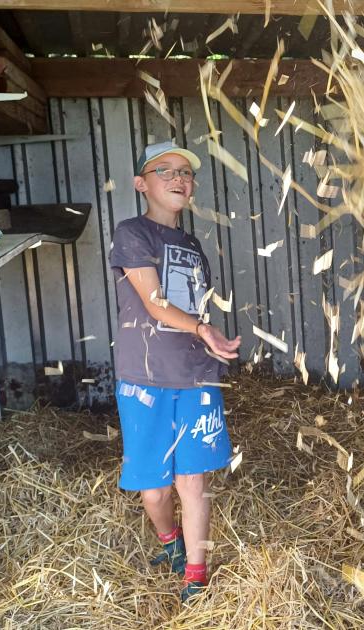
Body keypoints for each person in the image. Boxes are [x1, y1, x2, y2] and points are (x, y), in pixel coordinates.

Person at [109, 141, 241, 602]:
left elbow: (190, 305)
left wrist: (209, 338)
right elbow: (153, 302)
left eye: (185, 172)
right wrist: (204, 328)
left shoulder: (192, 245)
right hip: (144, 376)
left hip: (197, 375)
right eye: (165, 170)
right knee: (154, 490)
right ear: (141, 184)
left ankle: (196, 573)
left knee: (193, 481)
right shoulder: (132, 233)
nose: (179, 178)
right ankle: (171, 544)